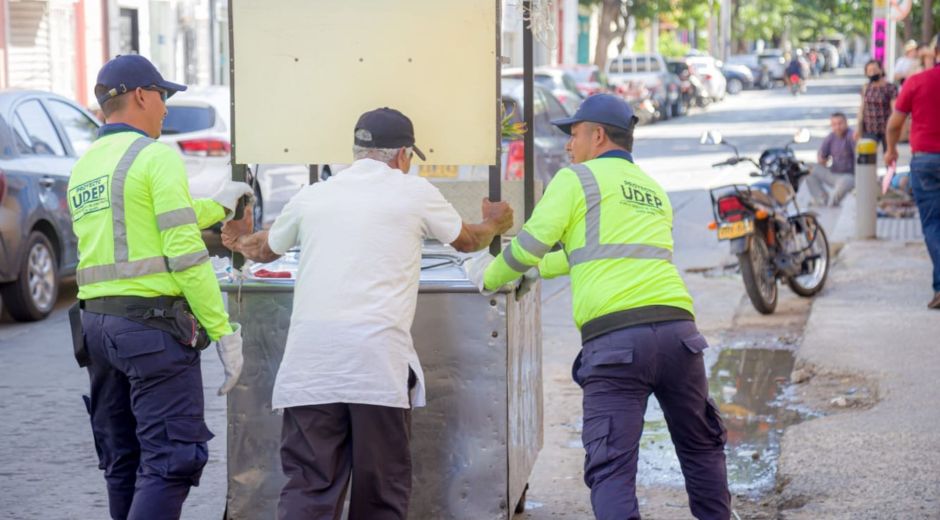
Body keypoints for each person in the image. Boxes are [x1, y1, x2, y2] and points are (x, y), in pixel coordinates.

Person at [220, 107, 513, 519]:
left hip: (311, 368)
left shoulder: (314, 195)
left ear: (358, 151)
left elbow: (264, 248)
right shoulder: (413, 191)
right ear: (403, 155)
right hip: (376, 366)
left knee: (309, 489)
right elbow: (466, 242)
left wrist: (238, 239)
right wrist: (495, 223)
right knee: (380, 495)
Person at [468, 94, 730, 519]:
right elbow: (592, 253)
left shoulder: (577, 180)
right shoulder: (652, 190)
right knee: (702, 449)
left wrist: (492, 274)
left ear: (599, 135)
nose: (569, 146)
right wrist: (537, 272)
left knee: (612, 468)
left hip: (616, 345)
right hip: (680, 336)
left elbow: (531, 244)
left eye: (574, 135)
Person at [67, 55, 251, 520]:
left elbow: (146, 219)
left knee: (122, 460)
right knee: (171, 460)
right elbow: (186, 255)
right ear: (143, 96)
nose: (166, 109)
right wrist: (223, 331)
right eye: (163, 97)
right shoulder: (154, 156)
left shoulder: (86, 167)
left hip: (96, 330)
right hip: (150, 333)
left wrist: (217, 206)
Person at [886, 35, 940, 310]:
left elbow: (895, 123)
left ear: (935, 51)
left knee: (933, 224)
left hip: (926, 161)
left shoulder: (917, 81)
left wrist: (891, 150)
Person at [806, 112, 856, 207]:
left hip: (849, 175)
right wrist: (821, 159)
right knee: (807, 169)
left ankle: (833, 203)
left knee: (845, 183)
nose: (837, 127)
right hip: (833, 173)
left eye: (840, 123)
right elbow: (822, 155)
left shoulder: (851, 136)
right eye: (834, 124)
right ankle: (821, 198)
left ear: (846, 123)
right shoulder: (830, 137)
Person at [857, 59, 898, 152]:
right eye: (869, 71)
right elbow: (862, 109)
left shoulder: (890, 88)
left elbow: (895, 109)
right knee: (867, 157)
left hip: (887, 129)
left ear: (881, 70)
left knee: (890, 155)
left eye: (875, 70)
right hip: (869, 129)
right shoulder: (865, 88)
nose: (872, 73)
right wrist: (858, 129)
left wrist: (895, 128)